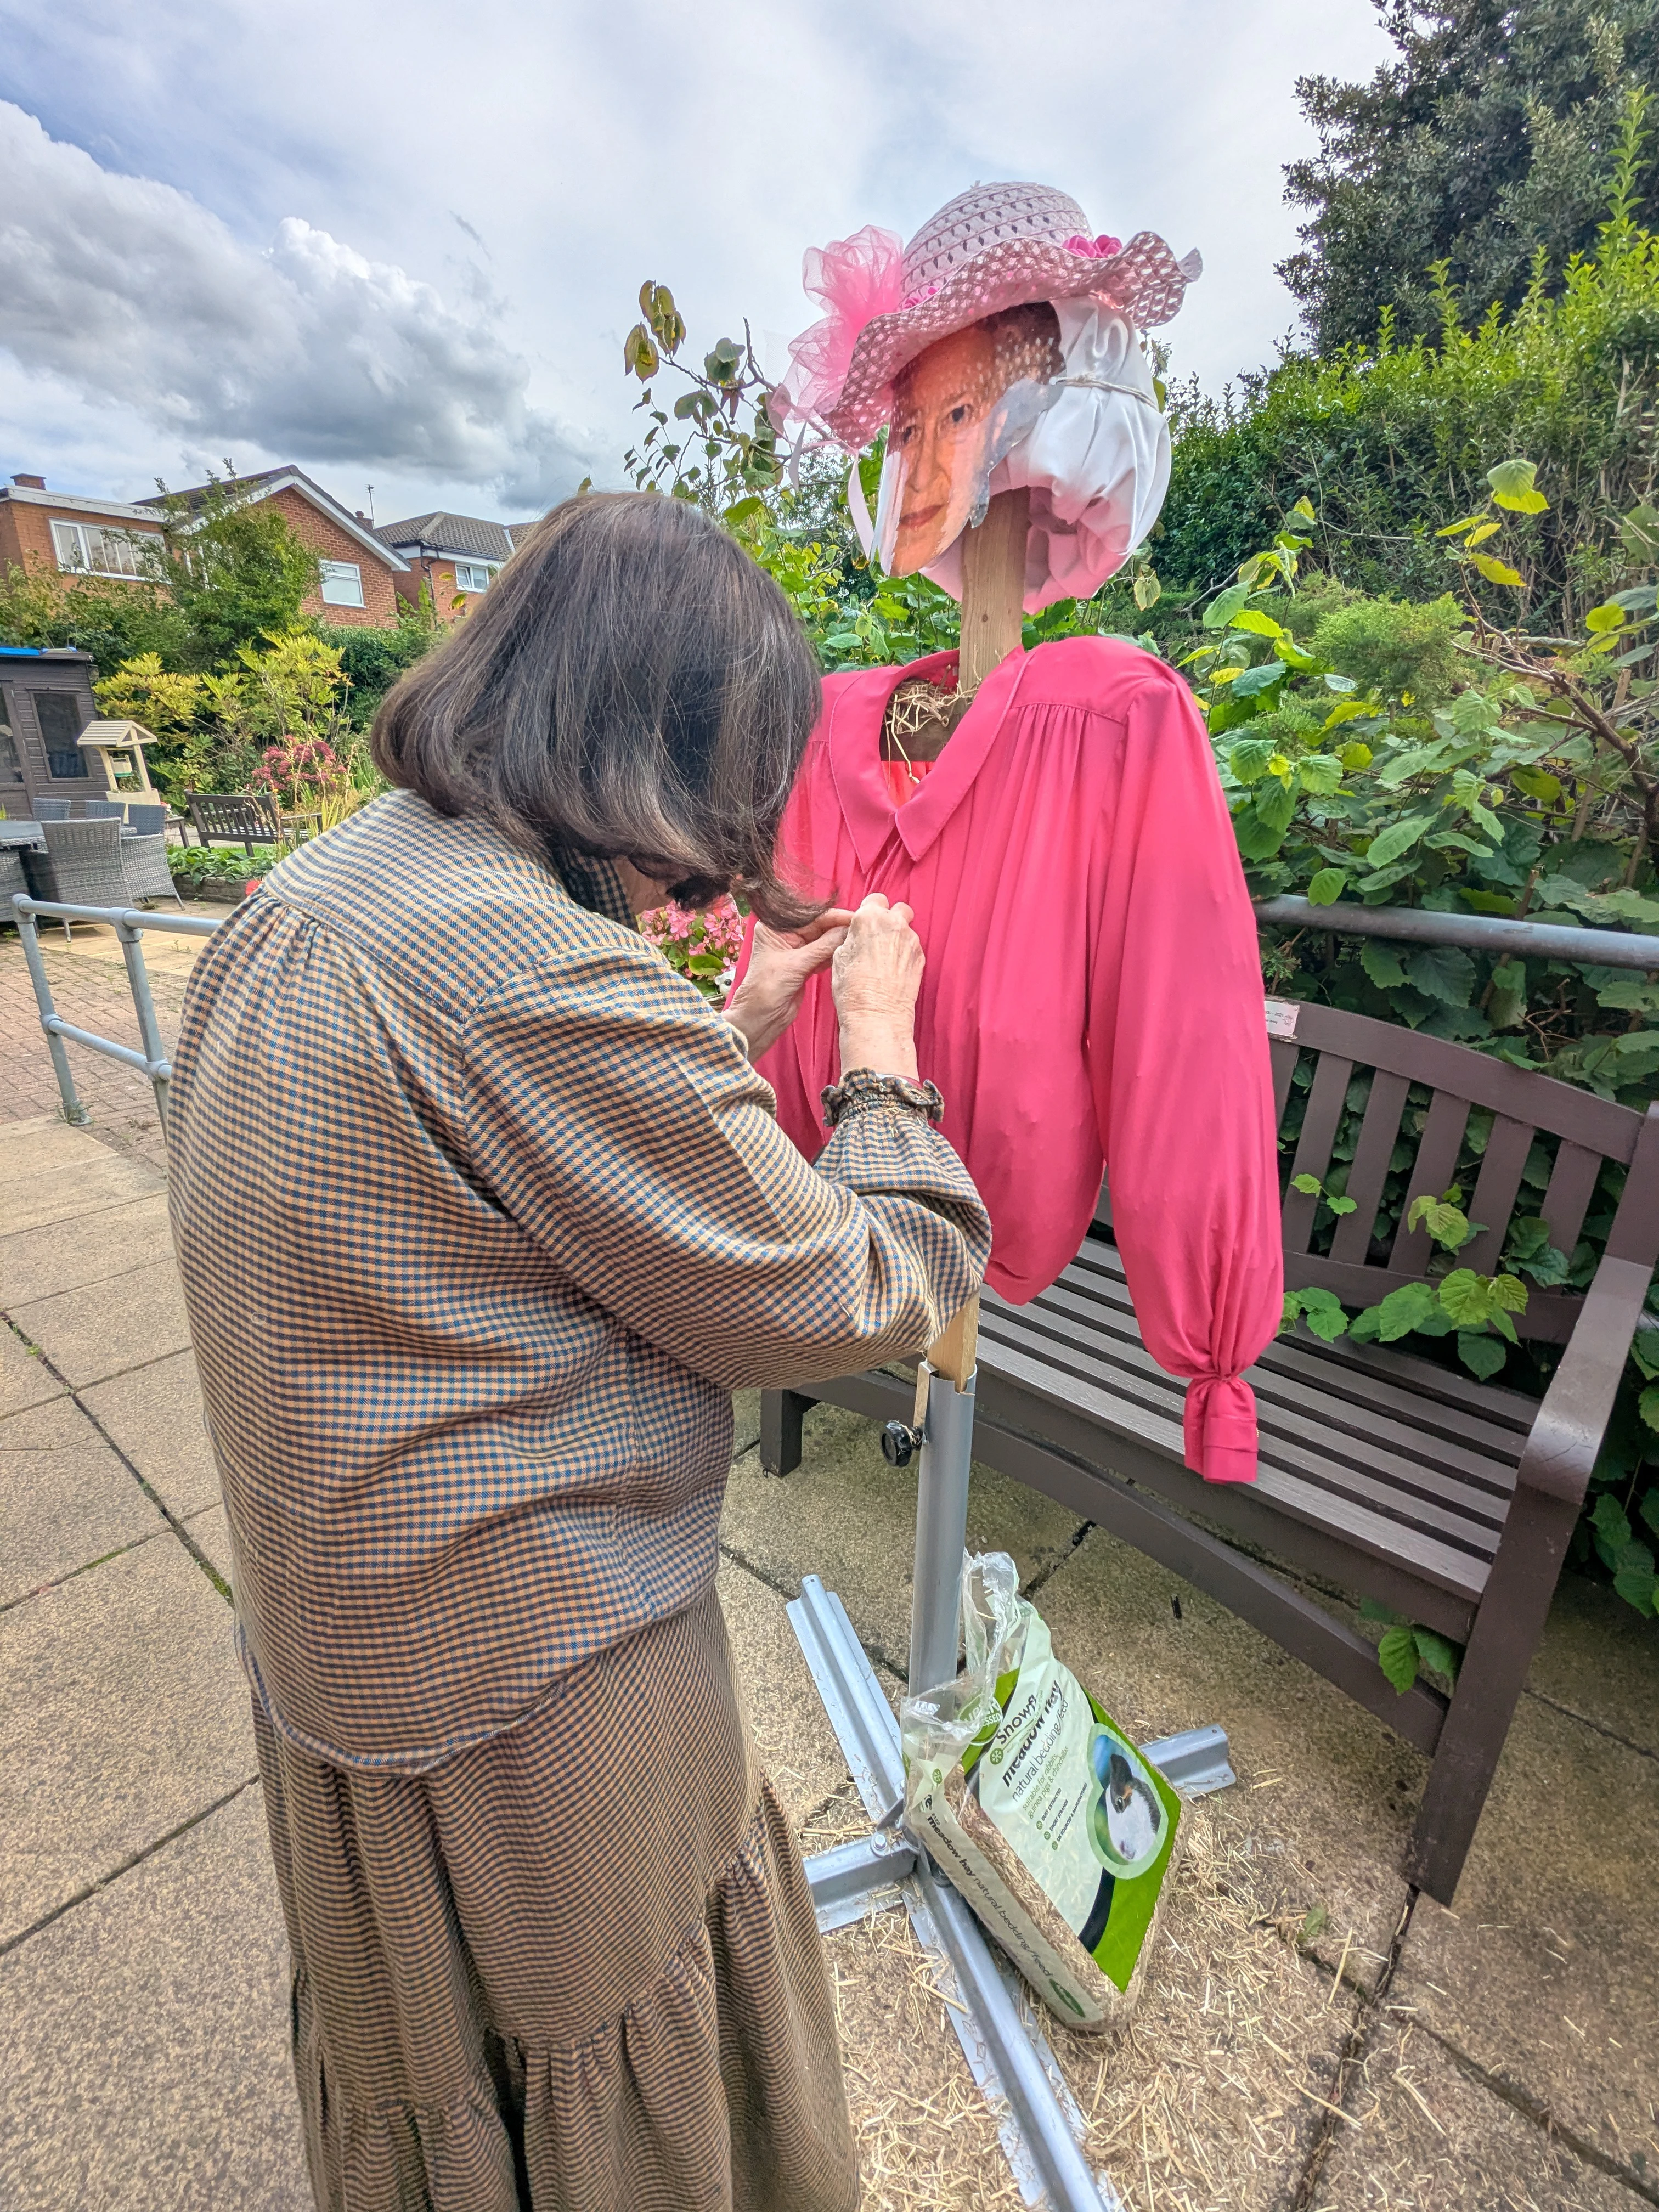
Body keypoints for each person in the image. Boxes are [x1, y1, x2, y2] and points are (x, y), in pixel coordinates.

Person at [166, 492, 991, 2212]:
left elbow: (466, 1190)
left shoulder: (331, 880)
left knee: (442, 2074)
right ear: (658, 735)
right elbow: (855, 1287)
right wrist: (889, 1054)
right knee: (622, 2074)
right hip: (533, 1702)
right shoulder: (540, 973)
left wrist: (729, 1025)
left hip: (349, 1663)